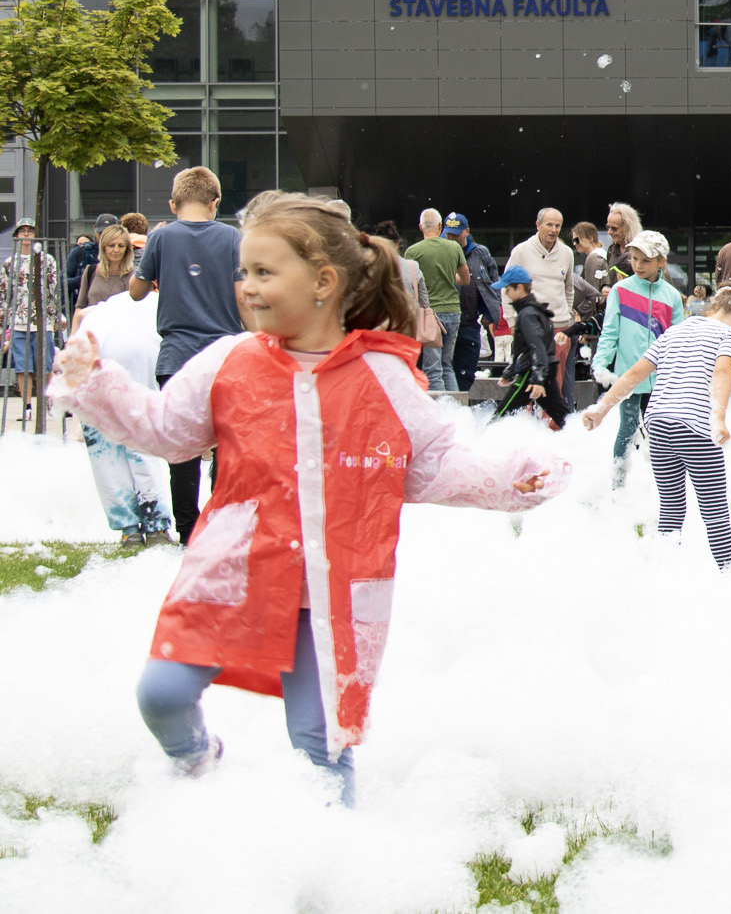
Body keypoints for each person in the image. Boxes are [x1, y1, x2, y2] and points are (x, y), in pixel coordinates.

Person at [51, 191, 567, 804]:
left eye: (263, 272)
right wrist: (96, 385)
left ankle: (328, 854)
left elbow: (430, 464)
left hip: (334, 588)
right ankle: (195, 770)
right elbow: (167, 431)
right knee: (161, 694)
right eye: (243, 272)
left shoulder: (382, 376)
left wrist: (509, 479)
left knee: (322, 747)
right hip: (235, 571)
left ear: (323, 282)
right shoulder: (229, 361)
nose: (246, 286)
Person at [583, 288, 731, 566]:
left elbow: (635, 373)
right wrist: (718, 417)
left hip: (658, 425)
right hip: (695, 427)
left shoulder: (674, 332)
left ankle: (663, 572)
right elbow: (722, 371)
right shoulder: (729, 335)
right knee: (715, 514)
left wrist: (602, 408)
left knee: (670, 509)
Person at [129, 168, 244, 543]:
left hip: (176, 358)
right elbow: (242, 297)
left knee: (182, 451)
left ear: (172, 204)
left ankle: (188, 530)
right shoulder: (231, 237)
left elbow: (135, 291)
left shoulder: (161, 237)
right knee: (227, 445)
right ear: (215, 202)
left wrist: (152, 258)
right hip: (225, 357)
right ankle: (220, 524)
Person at [68, 223, 174, 543]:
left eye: (122, 246)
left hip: (122, 356)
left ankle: (148, 523)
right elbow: (79, 313)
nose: (116, 251)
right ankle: (134, 526)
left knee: (129, 442)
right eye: (110, 245)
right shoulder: (93, 274)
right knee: (112, 443)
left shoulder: (137, 284)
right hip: (98, 353)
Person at [591, 231, 685, 487]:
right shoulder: (620, 290)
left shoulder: (672, 296)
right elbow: (610, 332)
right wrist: (600, 363)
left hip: (662, 378)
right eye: (634, 259)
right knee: (628, 427)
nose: (638, 265)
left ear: (661, 261)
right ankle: (618, 484)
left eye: (646, 260)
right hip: (629, 376)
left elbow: (678, 339)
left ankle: (664, 485)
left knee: (662, 432)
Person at [506, 209, 577, 407]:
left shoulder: (567, 253)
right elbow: (507, 287)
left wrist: (567, 315)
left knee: (555, 384)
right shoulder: (521, 251)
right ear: (538, 225)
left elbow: (568, 288)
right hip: (531, 326)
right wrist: (512, 321)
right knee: (528, 382)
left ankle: (551, 424)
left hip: (559, 327)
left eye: (558, 226)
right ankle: (526, 423)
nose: (553, 230)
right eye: (549, 225)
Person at [492, 265, 569, 429]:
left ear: (519, 288)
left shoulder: (527, 314)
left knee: (501, 415)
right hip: (545, 368)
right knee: (563, 417)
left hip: (532, 372)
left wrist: (537, 378)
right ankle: (583, 438)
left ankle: (484, 440)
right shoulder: (537, 311)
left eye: (507, 289)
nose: (506, 294)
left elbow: (537, 346)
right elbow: (525, 348)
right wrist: (511, 371)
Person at [403, 209, 469, 393]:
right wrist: (448, 276)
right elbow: (466, 280)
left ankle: (440, 407)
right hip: (453, 311)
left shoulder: (413, 251)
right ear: (440, 226)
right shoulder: (454, 247)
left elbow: (409, 284)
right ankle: (456, 406)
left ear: (420, 227)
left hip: (429, 315)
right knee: (447, 366)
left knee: (432, 370)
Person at [2, 221, 66, 405]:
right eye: (22, 231)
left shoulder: (47, 260)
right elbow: (4, 293)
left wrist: (56, 316)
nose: (26, 234)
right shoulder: (10, 263)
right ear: (16, 236)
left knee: (45, 364)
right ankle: (27, 406)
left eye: (30, 231)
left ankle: (49, 402)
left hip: (43, 319)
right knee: (22, 366)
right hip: (18, 320)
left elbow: (53, 290)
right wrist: (3, 321)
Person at [444, 213, 501, 394]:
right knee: (443, 370)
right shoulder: (441, 251)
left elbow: (494, 282)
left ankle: (461, 407)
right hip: (444, 322)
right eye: (448, 234)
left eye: (455, 234)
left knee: (466, 373)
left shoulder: (481, 252)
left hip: (469, 323)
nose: (451, 238)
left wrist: (490, 312)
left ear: (466, 232)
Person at [66, 215, 115, 311]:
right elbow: (63, 282)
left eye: (108, 234)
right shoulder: (82, 251)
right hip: (86, 308)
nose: (104, 237)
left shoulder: (122, 254)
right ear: (95, 230)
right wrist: (86, 279)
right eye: (101, 233)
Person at [604, 202, 643, 277]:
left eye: (614, 228)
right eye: (608, 227)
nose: (609, 232)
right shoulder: (612, 249)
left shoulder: (641, 251)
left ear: (627, 227)